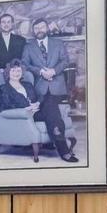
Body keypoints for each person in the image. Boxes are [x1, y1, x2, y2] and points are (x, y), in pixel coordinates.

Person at [24, 17, 77, 161]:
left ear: (47, 28)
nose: (39, 30)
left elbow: (65, 61)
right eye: (36, 28)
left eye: (41, 27)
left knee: (49, 104)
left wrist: (54, 71)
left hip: (57, 88)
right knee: (50, 110)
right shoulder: (29, 46)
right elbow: (25, 64)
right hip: (40, 89)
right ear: (33, 30)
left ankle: (58, 145)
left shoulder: (58, 43)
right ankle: (63, 149)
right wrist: (41, 72)